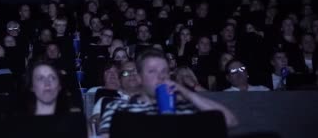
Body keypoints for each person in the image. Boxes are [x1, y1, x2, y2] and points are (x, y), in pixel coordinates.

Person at [98, 49, 237, 137]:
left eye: (164, 71)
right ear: (139, 78)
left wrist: (186, 93)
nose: (161, 77)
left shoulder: (186, 107)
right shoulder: (118, 108)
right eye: (152, 71)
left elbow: (229, 121)